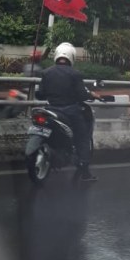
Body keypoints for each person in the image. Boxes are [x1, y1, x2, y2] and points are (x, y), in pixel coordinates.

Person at [36, 42, 95, 181]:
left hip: (50, 109)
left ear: (56, 55)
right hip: (70, 111)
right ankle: (85, 171)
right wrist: (91, 95)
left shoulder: (46, 72)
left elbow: (40, 95)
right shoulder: (75, 74)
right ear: (72, 56)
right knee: (82, 137)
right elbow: (81, 95)